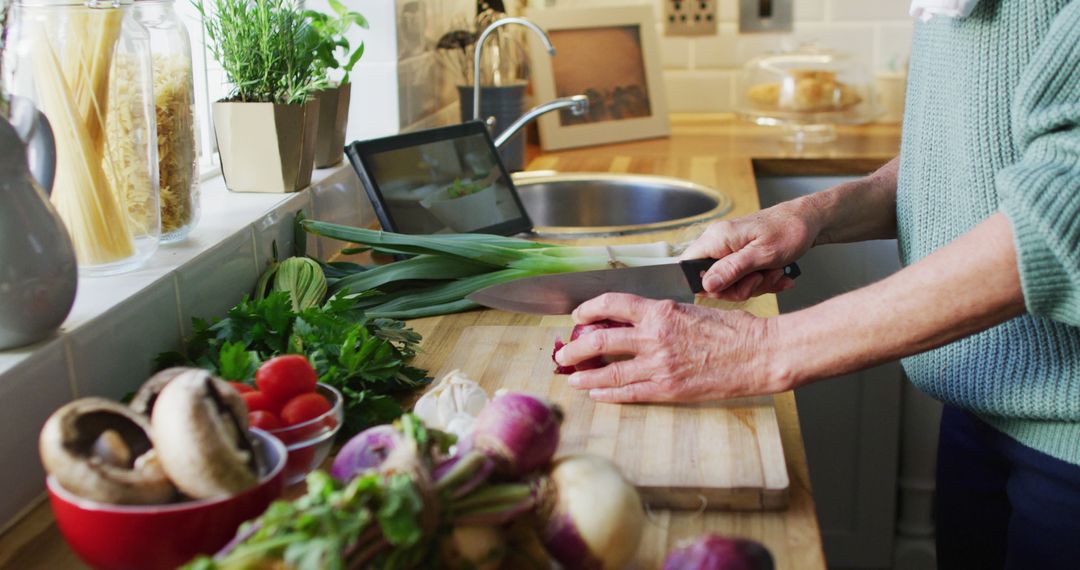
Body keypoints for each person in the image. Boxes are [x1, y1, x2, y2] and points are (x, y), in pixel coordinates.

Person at [553, 1, 1080, 568]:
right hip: (980, 409)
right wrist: (816, 214)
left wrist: (761, 350)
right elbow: (964, 157)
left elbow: (1057, 224)